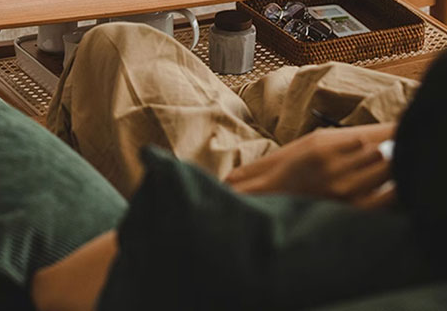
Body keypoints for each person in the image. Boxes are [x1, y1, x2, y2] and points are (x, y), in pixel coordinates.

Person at [28, 22, 445, 310]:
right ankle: (239, 113)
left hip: (398, 170)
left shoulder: (357, 249)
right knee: (287, 87)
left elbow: (54, 291)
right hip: (414, 139)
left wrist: (271, 185)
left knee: (116, 45)